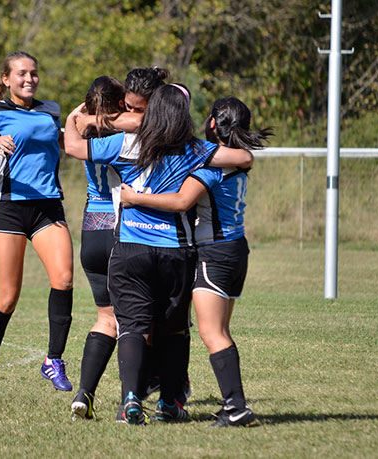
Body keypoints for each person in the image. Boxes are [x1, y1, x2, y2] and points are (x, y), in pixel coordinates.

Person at [64, 84, 254, 425]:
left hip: (131, 249)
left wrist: (75, 117)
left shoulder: (126, 143)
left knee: (132, 326)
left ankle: (131, 401)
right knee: (175, 329)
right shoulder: (193, 149)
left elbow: (74, 146)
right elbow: (241, 158)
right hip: (176, 252)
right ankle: (170, 402)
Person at [120, 96, 272, 426]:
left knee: (211, 333)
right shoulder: (238, 162)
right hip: (236, 251)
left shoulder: (210, 167)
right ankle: (233, 403)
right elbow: (246, 156)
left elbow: (180, 201)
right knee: (221, 331)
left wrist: (134, 198)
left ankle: (236, 407)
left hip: (214, 254)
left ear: (214, 124)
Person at [0, 51, 74, 402]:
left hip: (47, 207)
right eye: (22, 74)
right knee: (7, 298)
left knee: (64, 279)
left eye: (34, 73)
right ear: (6, 79)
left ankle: (53, 360)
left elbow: (70, 139)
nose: (29, 79)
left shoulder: (51, 109)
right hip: (9, 209)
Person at [70, 76, 126, 420]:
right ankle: (131, 397)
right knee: (135, 320)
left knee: (106, 318)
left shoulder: (81, 130)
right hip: (124, 224)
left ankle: (84, 392)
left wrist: (77, 117)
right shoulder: (128, 136)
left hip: (93, 224)